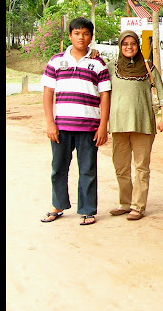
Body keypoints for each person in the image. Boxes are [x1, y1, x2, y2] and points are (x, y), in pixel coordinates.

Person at [40, 17, 111, 225]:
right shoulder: (56, 61)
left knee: (88, 169)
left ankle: (87, 209)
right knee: (59, 168)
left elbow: (105, 95)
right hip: (61, 127)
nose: (81, 37)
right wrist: (50, 123)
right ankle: (58, 205)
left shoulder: (98, 63)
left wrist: (103, 126)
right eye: (77, 33)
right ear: (70, 35)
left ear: (91, 37)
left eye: (86, 33)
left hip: (89, 127)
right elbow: (48, 93)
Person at [106, 30, 163, 220]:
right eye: (125, 44)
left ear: (138, 45)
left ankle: (138, 206)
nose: (129, 47)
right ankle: (125, 203)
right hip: (118, 124)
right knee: (121, 167)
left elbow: (162, 93)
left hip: (143, 123)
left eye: (133, 43)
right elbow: (101, 91)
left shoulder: (148, 67)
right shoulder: (110, 67)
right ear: (120, 46)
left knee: (142, 167)